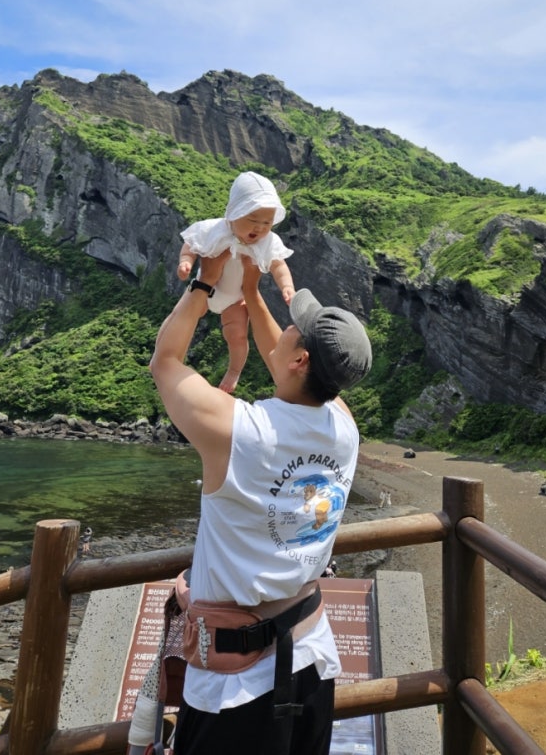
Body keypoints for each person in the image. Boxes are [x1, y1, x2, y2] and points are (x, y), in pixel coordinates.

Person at [127, 251, 372, 755]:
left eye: (293, 328)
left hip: (236, 687)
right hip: (311, 654)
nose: (285, 329)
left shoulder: (238, 429)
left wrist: (204, 285)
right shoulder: (344, 426)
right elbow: (286, 362)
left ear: (300, 360)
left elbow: (165, 362)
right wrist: (252, 293)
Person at [177, 171, 295, 393]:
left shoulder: (267, 242)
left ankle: (234, 370)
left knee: (237, 336)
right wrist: (185, 261)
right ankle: (170, 355)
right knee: (184, 318)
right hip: (206, 289)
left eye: (267, 222)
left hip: (236, 300)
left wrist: (287, 286)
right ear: (233, 214)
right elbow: (192, 244)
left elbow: (279, 266)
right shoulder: (215, 230)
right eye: (253, 220)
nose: (260, 228)